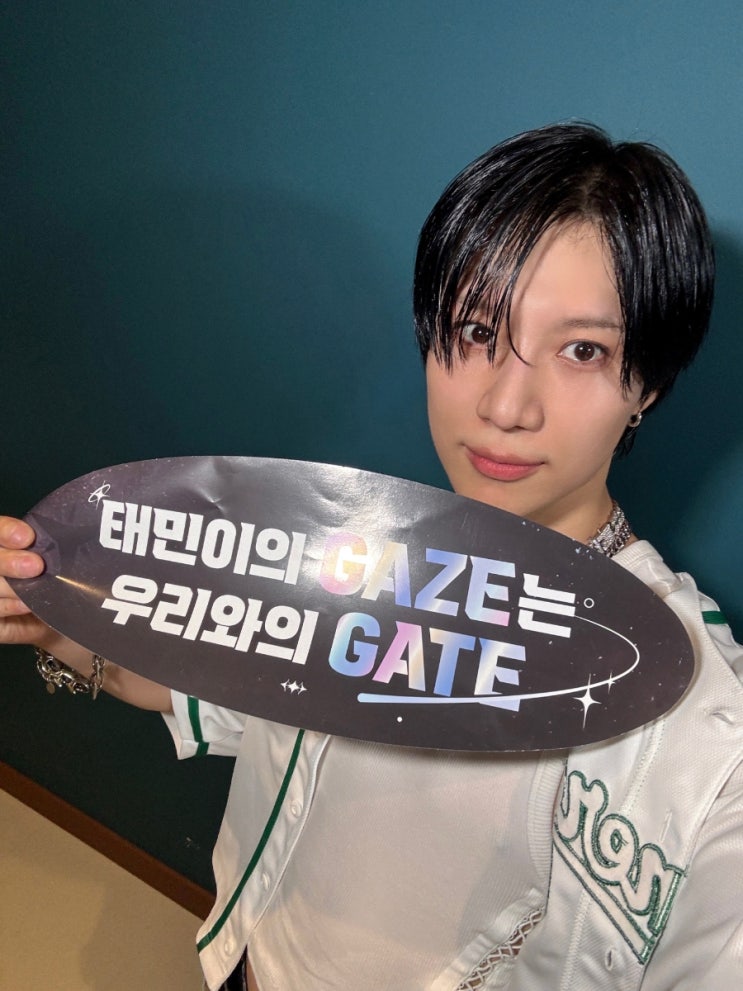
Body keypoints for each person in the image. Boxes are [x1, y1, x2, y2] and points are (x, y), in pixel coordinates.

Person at [1, 122, 741, 990]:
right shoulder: (349, 555)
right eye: (475, 330)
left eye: (582, 350)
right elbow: (223, 689)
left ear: (646, 381)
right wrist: (57, 623)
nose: (505, 405)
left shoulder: (704, 729)